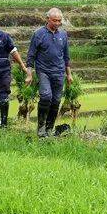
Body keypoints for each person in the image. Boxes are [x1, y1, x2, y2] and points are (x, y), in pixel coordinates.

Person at [26, 8, 73, 138]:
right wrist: (29, 74)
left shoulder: (63, 35)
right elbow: (31, 55)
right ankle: (41, 128)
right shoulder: (39, 34)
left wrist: (68, 74)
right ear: (47, 19)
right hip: (44, 71)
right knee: (46, 96)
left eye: (59, 20)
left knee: (56, 100)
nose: (57, 23)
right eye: (54, 20)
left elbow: (66, 56)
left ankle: (49, 129)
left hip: (59, 72)